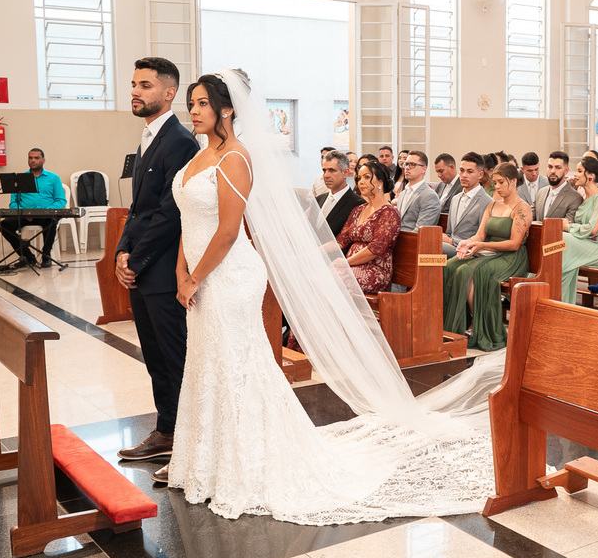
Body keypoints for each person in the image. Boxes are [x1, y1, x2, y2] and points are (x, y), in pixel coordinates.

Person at [163, 69, 497, 522]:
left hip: (230, 275)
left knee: (238, 364)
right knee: (207, 363)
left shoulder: (236, 158)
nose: (194, 111)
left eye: (203, 103)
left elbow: (227, 230)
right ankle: (208, 461)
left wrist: (194, 276)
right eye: (192, 103)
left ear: (227, 109)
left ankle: (250, 461)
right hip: (200, 274)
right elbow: (189, 224)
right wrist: (182, 271)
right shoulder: (193, 161)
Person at [116, 57, 199, 465]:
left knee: (174, 358)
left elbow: (171, 212)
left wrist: (137, 259)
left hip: (164, 271)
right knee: (154, 358)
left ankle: (185, 439)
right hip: (144, 268)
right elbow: (138, 208)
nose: (135, 91)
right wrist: (120, 251)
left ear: (168, 93)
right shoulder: (149, 137)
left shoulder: (180, 141)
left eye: (145, 85)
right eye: (133, 84)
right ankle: (168, 431)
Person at [443, 162, 531, 351]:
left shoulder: (522, 209)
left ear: (513, 181)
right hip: (489, 252)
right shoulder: (492, 205)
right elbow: (479, 235)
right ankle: (451, 326)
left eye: (501, 182)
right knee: (449, 266)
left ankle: (480, 327)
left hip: (510, 257)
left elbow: (514, 243)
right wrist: (468, 242)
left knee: (468, 271)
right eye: (495, 183)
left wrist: (481, 245)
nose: (496, 187)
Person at [337, 160, 401, 294]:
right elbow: (341, 241)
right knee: (317, 274)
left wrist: (345, 263)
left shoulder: (388, 212)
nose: (360, 182)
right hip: (351, 266)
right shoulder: (358, 210)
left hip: (375, 270)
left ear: (380, 182)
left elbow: (376, 249)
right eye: (359, 178)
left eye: (367, 177)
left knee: (333, 280)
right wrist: (315, 252)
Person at [0, 148, 67, 268]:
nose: (33, 160)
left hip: (45, 215)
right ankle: (28, 257)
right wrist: (24, 213)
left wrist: (46, 211)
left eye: (36, 158)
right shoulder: (19, 179)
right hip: (24, 216)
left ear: (43, 160)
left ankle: (46, 256)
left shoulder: (53, 178)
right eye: (30, 158)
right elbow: (13, 203)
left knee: (51, 221)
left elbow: (61, 200)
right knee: (4, 225)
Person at [560, 156, 598, 303]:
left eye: (579, 171)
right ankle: (558, 296)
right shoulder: (583, 197)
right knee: (559, 244)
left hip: (597, 248)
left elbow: (593, 229)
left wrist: (568, 226)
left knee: (562, 239)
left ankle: (559, 300)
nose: (575, 174)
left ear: (590, 176)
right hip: (583, 244)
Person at [442, 152, 491, 256]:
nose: (464, 175)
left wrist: (452, 242)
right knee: (426, 247)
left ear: (480, 175)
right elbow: (450, 232)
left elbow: (483, 238)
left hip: (469, 252)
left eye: (470, 171)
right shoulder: (455, 199)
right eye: (461, 170)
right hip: (451, 249)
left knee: (433, 248)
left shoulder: (488, 202)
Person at [312, 150, 365, 238]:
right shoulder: (318, 200)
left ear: (345, 173)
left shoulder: (358, 204)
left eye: (331, 170)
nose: (326, 175)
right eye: (324, 170)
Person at [395, 150, 441, 232]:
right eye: (406, 164)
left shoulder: (429, 196)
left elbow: (421, 231)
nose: (407, 167)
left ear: (424, 169)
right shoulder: (402, 193)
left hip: (413, 241)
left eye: (412, 165)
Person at [533, 150, 582, 223]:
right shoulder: (540, 192)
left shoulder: (575, 198)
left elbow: (567, 227)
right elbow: (529, 218)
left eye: (558, 168)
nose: (552, 171)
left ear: (566, 171)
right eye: (550, 167)